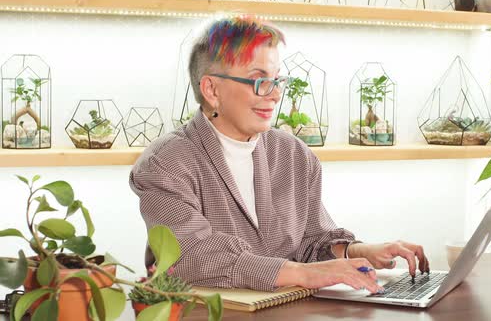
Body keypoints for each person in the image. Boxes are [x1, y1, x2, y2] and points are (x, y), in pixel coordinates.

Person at [129, 16, 429, 294]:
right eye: (260, 81)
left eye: (277, 81)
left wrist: (361, 252)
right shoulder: (164, 165)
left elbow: (312, 242)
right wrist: (303, 274)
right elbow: (193, 256)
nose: (274, 95)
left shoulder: (293, 154)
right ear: (211, 89)